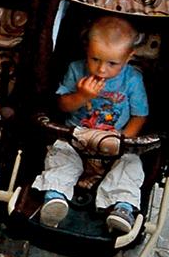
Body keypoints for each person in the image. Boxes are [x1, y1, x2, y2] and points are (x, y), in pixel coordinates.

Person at [32, 16, 148, 233]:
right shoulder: (76, 69)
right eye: (95, 59)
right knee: (59, 154)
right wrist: (82, 96)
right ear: (87, 49)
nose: (101, 69)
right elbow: (63, 105)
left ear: (129, 57)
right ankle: (55, 197)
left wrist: (123, 140)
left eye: (112, 63)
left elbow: (139, 115)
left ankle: (122, 206)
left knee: (130, 163)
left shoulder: (132, 79)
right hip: (76, 138)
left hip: (112, 144)